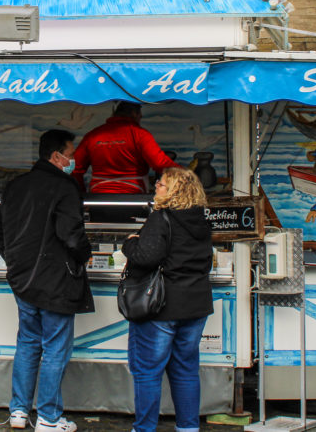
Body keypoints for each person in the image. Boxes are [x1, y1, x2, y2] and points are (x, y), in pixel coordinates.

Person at [0, 129, 94, 432]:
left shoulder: (15, 186)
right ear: (56, 156)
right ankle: (49, 418)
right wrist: (84, 255)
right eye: (72, 155)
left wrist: (14, 263)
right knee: (55, 347)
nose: (74, 161)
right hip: (56, 281)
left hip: (22, 280)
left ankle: (19, 412)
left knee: (27, 343)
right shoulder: (65, 187)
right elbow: (72, 236)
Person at [121, 167, 213, 432]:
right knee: (185, 370)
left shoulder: (161, 218)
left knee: (148, 371)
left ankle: (144, 428)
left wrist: (130, 243)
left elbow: (146, 257)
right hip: (195, 304)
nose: (156, 187)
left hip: (161, 306)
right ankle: (188, 428)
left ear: (174, 190)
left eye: (160, 184)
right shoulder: (202, 220)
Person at [71, 101, 180, 195]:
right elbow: (161, 164)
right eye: (140, 115)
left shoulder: (92, 135)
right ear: (134, 113)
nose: (140, 118)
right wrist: (189, 174)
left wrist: (81, 194)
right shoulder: (140, 134)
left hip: (97, 197)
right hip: (133, 197)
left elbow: (74, 169)